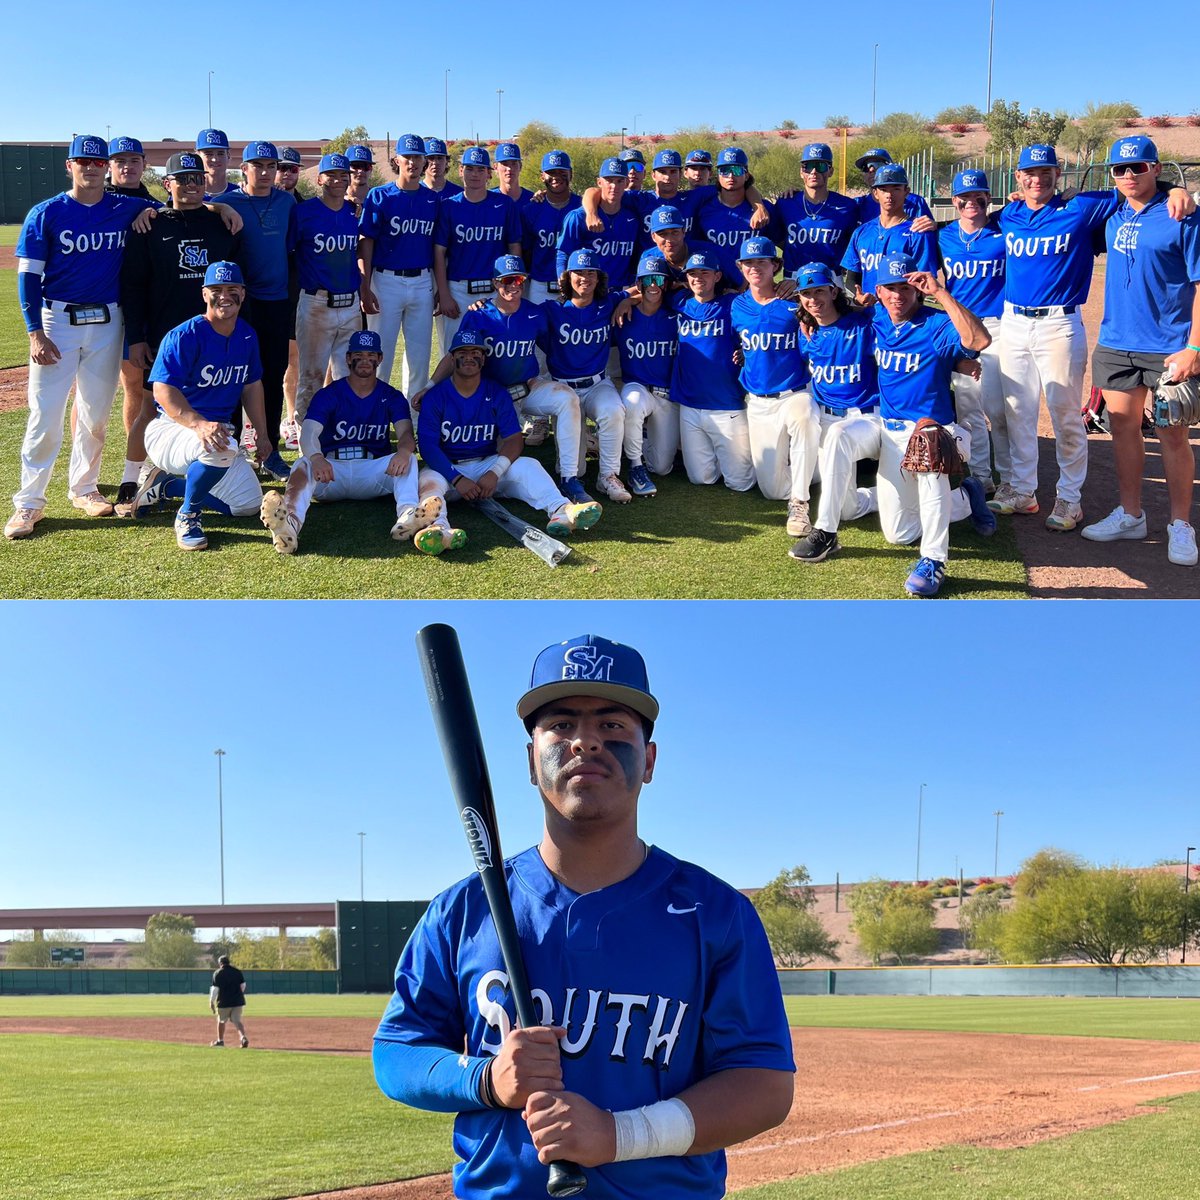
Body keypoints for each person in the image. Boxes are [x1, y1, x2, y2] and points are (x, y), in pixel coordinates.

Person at [374, 633, 795, 1199]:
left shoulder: (716, 914)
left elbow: (764, 1086)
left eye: (613, 726)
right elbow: (397, 1053)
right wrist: (488, 1080)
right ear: (531, 760)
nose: (585, 743)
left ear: (648, 760)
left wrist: (618, 1135)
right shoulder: (463, 910)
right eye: (562, 725)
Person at [989, 142, 1193, 529]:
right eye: (1029, 172)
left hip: (1058, 323)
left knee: (1065, 414)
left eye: (1046, 171)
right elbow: (974, 222)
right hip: (1013, 321)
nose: (1038, 178)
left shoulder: (1082, 208)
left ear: (1057, 174)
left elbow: (1137, 187)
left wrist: (1175, 190)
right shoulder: (1010, 214)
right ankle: (1023, 490)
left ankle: (1069, 500)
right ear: (1018, 177)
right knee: (1018, 411)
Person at [7, 135, 160, 540]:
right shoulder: (47, 213)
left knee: (95, 414)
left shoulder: (127, 207)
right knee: (45, 416)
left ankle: (85, 488)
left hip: (108, 322)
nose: (91, 167)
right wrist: (35, 333)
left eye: (97, 162)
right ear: (69, 166)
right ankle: (28, 503)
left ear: (105, 167)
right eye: (83, 161)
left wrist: (219, 206)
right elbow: (28, 277)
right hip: (56, 321)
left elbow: (182, 208)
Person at [1081, 135, 1199, 566]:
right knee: (1123, 430)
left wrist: (1194, 347)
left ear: (1156, 167)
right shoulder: (1111, 212)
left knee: (1173, 436)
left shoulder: (1182, 215)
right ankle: (1132, 514)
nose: (1129, 175)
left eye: (1139, 167)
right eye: (1120, 169)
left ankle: (1181, 524)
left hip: (1169, 348)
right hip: (1115, 343)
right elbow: (1073, 199)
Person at [119, 152, 243, 516]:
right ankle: (133, 477)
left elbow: (237, 278)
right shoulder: (150, 224)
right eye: (183, 178)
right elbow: (135, 285)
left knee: (222, 398)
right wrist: (138, 337)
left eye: (197, 178)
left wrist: (220, 208)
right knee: (149, 405)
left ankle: (217, 467)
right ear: (167, 184)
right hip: (164, 332)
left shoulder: (222, 223)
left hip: (216, 332)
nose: (191, 185)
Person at [872, 253, 997, 597]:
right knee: (899, 533)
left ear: (917, 291)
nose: (898, 295)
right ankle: (967, 498)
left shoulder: (936, 324)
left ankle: (934, 560)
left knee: (928, 445)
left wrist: (940, 293)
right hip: (892, 434)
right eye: (891, 288)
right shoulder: (877, 321)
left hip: (938, 432)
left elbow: (980, 342)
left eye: (906, 288)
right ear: (879, 291)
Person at [414, 329, 602, 552]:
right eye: (462, 352)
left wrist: (494, 472)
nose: (469, 357)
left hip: (487, 465)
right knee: (428, 481)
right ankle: (439, 529)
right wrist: (456, 479)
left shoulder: (496, 391)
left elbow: (514, 439)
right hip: (448, 469)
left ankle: (562, 510)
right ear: (452, 357)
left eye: (476, 352)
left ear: (484, 358)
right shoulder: (436, 395)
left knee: (529, 465)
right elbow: (427, 446)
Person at [260, 329, 440, 554]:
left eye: (371, 355)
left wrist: (403, 451)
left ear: (380, 358)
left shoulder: (391, 395)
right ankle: (290, 525)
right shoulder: (330, 394)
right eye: (359, 354)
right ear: (348, 358)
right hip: (332, 473)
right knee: (302, 464)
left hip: (372, 473)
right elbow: (308, 433)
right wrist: (316, 458)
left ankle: (407, 517)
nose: (365, 360)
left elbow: (405, 433)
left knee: (410, 460)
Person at [135, 262, 271, 551]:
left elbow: (251, 385)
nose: (225, 296)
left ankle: (167, 487)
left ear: (243, 294)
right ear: (204, 294)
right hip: (171, 431)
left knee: (247, 505)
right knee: (220, 446)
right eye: (217, 290)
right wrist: (197, 423)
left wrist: (263, 432)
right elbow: (162, 389)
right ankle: (188, 515)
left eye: (232, 290)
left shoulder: (246, 335)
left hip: (215, 436)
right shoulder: (184, 335)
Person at [418, 255, 583, 478]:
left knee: (567, 398)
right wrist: (429, 386)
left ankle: (569, 475)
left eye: (518, 280)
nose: (513, 286)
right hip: (492, 398)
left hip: (528, 388)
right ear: (495, 283)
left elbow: (553, 348)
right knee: (496, 460)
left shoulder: (534, 313)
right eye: (506, 281)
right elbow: (453, 356)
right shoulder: (479, 315)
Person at [787, 262, 882, 563]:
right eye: (806, 293)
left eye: (819, 291)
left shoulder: (862, 323)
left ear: (833, 290)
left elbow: (892, 319)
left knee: (840, 435)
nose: (813, 299)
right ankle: (950, 499)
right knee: (848, 508)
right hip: (829, 417)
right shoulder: (807, 332)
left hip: (865, 417)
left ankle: (826, 533)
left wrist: (869, 305)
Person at [730, 237, 819, 538]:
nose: (755, 267)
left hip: (794, 392)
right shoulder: (737, 305)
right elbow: (738, 341)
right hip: (757, 401)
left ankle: (800, 502)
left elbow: (834, 301)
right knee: (770, 489)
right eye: (749, 262)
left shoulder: (796, 302)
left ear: (776, 266)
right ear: (741, 268)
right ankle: (824, 470)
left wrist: (797, 285)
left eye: (762, 262)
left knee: (805, 416)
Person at [219, 140, 297, 480]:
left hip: (277, 302)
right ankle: (233, 452)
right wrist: (216, 209)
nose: (265, 173)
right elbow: (195, 206)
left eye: (270, 167)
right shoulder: (227, 200)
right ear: (244, 169)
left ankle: (270, 451)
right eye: (258, 166)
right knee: (235, 376)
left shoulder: (286, 201)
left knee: (272, 376)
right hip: (241, 306)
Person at [104, 136, 163, 514]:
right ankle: (96, 470)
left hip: (139, 307)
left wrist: (219, 204)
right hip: (102, 304)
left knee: (139, 389)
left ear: (144, 165)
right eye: (119, 160)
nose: (127, 166)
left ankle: (141, 465)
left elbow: (187, 206)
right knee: (101, 394)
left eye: (134, 160)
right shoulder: (93, 200)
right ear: (110, 165)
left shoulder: (153, 205)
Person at [543, 249, 630, 503]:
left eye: (591, 272)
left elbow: (640, 292)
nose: (585, 278)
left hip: (596, 384)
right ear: (567, 278)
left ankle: (608, 476)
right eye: (578, 272)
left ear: (599, 277)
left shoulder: (609, 302)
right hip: (564, 390)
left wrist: (626, 300)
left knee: (613, 410)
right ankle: (572, 477)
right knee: (574, 468)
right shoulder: (552, 310)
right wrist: (482, 304)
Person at [358, 134, 439, 395]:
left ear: (424, 161)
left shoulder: (433, 199)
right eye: (408, 157)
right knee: (379, 352)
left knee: (419, 354)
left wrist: (438, 285)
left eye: (418, 157)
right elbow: (366, 242)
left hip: (422, 280)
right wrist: (365, 283)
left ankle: (412, 416)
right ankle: (376, 414)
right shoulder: (380, 195)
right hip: (386, 279)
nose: (413, 162)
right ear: (397, 160)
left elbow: (438, 248)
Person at [670, 248, 755, 491]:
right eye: (692, 273)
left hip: (727, 404)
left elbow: (759, 316)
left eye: (704, 273)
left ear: (717, 276)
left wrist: (746, 351)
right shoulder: (678, 303)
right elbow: (646, 296)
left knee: (740, 483)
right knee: (701, 478)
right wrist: (625, 300)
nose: (698, 278)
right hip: (690, 405)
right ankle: (721, 456)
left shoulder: (733, 304)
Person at [288, 153, 362, 426]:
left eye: (344, 175)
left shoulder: (353, 212)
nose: (338, 180)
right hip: (317, 303)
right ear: (319, 179)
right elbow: (290, 253)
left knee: (349, 374)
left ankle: (344, 432)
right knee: (312, 376)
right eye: (331, 174)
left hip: (351, 304)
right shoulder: (304, 212)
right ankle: (307, 438)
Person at [433, 146, 523, 350]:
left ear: (489, 173)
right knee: (454, 353)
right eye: (470, 169)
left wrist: (511, 283)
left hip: (495, 289)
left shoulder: (504, 204)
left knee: (495, 353)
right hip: (458, 290)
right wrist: (444, 293)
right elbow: (439, 252)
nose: (475, 174)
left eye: (480, 169)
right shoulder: (449, 206)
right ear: (460, 170)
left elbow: (514, 247)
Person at [615, 251, 680, 492]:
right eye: (647, 279)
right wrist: (625, 300)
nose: (653, 285)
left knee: (662, 467)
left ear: (667, 285)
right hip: (638, 387)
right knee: (631, 402)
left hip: (667, 394)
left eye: (659, 280)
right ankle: (634, 465)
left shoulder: (676, 315)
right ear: (638, 283)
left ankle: (638, 439)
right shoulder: (623, 314)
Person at [840, 164, 938, 304]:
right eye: (883, 189)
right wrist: (858, 298)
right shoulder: (862, 232)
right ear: (875, 193)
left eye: (896, 189)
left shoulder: (918, 232)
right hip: (871, 315)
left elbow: (925, 281)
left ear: (906, 192)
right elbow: (851, 278)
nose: (889, 195)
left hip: (905, 315)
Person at [691, 147, 781, 284]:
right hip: (717, 287)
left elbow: (785, 245)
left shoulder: (763, 209)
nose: (731, 176)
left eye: (737, 170)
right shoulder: (704, 210)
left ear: (746, 175)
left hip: (755, 287)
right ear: (718, 175)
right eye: (725, 171)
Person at [774, 143, 861, 282]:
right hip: (794, 278)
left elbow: (855, 242)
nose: (813, 172)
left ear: (831, 171)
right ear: (801, 172)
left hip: (831, 277)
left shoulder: (847, 206)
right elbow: (775, 236)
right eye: (808, 167)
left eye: (820, 166)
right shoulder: (785, 203)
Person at [556, 157, 640, 291]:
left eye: (619, 181)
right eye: (609, 180)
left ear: (626, 183)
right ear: (599, 182)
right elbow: (563, 253)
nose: (614, 186)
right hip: (587, 291)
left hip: (619, 290)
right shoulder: (578, 217)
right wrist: (564, 283)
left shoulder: (632, 218)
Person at [853, 148, 934, 223]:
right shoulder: (857, 204)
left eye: (877, 165)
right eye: (866, 167)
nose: (871, 170)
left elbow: (928, 231)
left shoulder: (915, 202)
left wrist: (932, 226)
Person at [210, 953, 249, 1048]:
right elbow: (243, 985)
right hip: (238, 1001)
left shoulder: (217, 973)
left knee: (221, 1021)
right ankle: (243, 1037)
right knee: (237, 1021)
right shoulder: (237, 971)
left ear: (220, 963)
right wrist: (237, 994)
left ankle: (220, 1041)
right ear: (228, 962)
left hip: (224, 1002)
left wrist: (211, 1002)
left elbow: (215, 989)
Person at [195, 128, 240, 198]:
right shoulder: (189, 194)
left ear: (228, 156)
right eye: (208, 154)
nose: (215, 159)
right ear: (198, 157)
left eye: (220, 153)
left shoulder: (240, 195)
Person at [345, 144, 377, 215]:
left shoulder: (378, 200)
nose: (360, 171)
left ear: (371, 169)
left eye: (366, 167)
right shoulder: (336, 201)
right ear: (346, 168)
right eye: (356, 166)